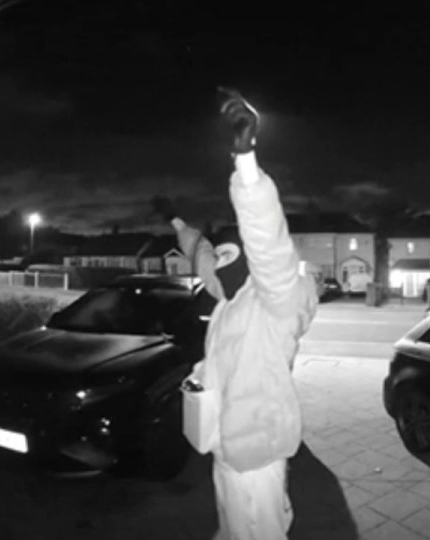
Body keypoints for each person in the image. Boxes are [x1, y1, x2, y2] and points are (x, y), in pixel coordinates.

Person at [151, 88, 318, 540]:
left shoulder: (276, 301)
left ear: (248, 261)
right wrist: (176, 224)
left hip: (256, 453)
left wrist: (245, 160)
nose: (218, 265)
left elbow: (267, 241)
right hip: (225, 447)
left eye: (230, 256)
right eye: (220, 259)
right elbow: (202, 254)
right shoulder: (228, 298)